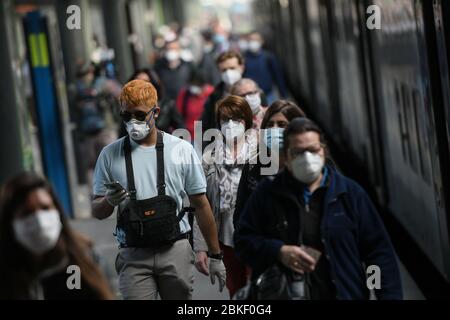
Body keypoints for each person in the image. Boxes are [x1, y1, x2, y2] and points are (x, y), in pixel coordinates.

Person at [234, 118, 403, 300]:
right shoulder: (267, 193)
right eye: (298, 152)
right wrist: (278, 251)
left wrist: (383, 294)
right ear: (286, 157)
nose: (307, 157)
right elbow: (243, 241)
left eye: (313, 150)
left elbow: (376, 254)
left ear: (323, 151)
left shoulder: (349, 194)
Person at [92, 80, 226, 300]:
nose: (133, 122)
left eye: (140, 115)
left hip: (175, 250)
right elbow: (97, 210)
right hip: (133, 253)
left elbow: (201, 204)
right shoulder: (109, 155)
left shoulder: (181, 150)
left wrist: (215, 255)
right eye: (126, 116)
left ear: (156, 112)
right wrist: (109, 200)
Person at [0, 172, 114, 300]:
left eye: (45, 208)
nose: (39, 220)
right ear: (10, 222)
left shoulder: (80, 263)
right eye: (27, 213)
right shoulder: (7, 274)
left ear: (57, 211)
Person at [194, 95, 258, 298]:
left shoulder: (261, 153)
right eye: (225, 120)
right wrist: (201, 248)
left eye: (237, 119)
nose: (230, 125)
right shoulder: (209, 158)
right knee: (236, 292)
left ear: (246, 121)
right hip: (226, 239)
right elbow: (201, 204)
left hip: (257, 235)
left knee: (260, 289)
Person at [234, 100, 306, 229]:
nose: (274, 129)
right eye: (270, 124)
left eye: (282, 125)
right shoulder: (253, 168)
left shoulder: (309, 166)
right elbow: (240, 217)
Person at [119, 69, 185, 135]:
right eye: (137, 81)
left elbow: (181, 129)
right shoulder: (128, 107)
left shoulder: (167, 104)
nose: (140, 86)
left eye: (145, 82)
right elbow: (122, 134)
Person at [200, 51, 245, 132]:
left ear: (241, 68)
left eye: (232, 68)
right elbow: (206, 123)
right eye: (224, 70)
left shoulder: (253, 92)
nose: (228, 73)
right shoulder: (215, 95)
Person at [243, 32, 288, 105]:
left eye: (256, 40)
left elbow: (278, 76)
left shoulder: (268, 57)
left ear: (261, 41)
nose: (253, 42)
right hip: (250, 97)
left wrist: (283, 94)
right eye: (251, 40)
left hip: (268, 95)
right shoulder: (243, 58)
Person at [176, 71, 214, 139]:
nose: (195, 87)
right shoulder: (185, 94)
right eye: (193, 84)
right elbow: (178, 113)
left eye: (198, 85)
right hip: (187, 134)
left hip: (206, 135)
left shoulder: (212, 94)